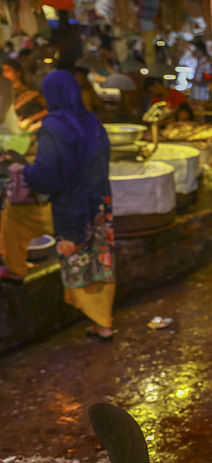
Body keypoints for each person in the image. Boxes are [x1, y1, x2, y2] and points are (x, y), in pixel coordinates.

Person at [8, 70, 115, 339]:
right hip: (98, 205)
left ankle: (16, 268)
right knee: (97, 258)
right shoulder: (91, 121)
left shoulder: (54, 128)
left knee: (14, 216)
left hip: (69, 208)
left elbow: (47, 175)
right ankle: (103, 321)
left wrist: (23, 170)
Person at [2, 59, 47, 129]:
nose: (4, 74)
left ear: (17, 73)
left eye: (8, 70)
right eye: (3, 72)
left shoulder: (31, 93)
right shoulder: (4, 95)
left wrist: (29, 120)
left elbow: (48, 110)